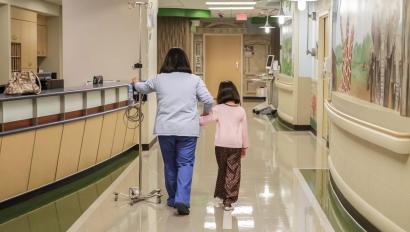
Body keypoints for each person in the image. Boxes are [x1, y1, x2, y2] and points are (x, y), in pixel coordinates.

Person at [133, 48, 213, 215]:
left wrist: (134, 83)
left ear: (167, 61)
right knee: (185, 163)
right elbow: (208, 99)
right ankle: (182, 199)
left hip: (165, 129)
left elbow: (143, 88)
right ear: (186, 61)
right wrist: (205, 112)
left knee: (169, 164)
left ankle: (172, 199)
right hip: (188, 130)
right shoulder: (194, 79)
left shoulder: (159, 79)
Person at [199, 81, 249, 211]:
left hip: (220, 145)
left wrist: (199, 115)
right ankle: (228, 201)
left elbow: (203, 121)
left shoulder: (217, 109)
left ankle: (222, 195)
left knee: (223, 169)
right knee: (233, 171)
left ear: (220, 94)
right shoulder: (241, 110)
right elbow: (244, 131)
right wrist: (245, 146)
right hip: (235, 145)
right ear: (235, 93)